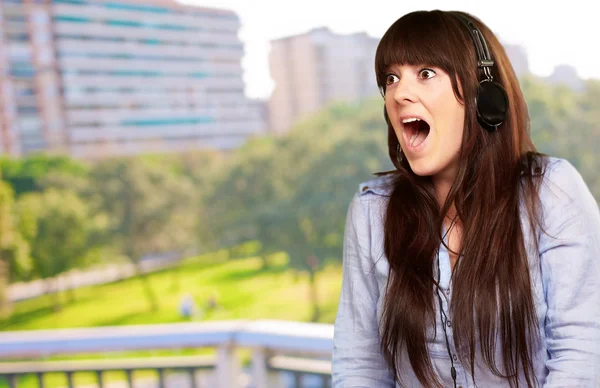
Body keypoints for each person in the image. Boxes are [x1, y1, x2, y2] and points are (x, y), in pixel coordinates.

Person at [332, 10, 600, 388]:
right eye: (391, 79)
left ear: (484, 97)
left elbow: (582, 356)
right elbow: (360, 366)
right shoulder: (372, 211)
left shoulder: (552, 193)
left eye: (425, 74)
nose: (399, 93)